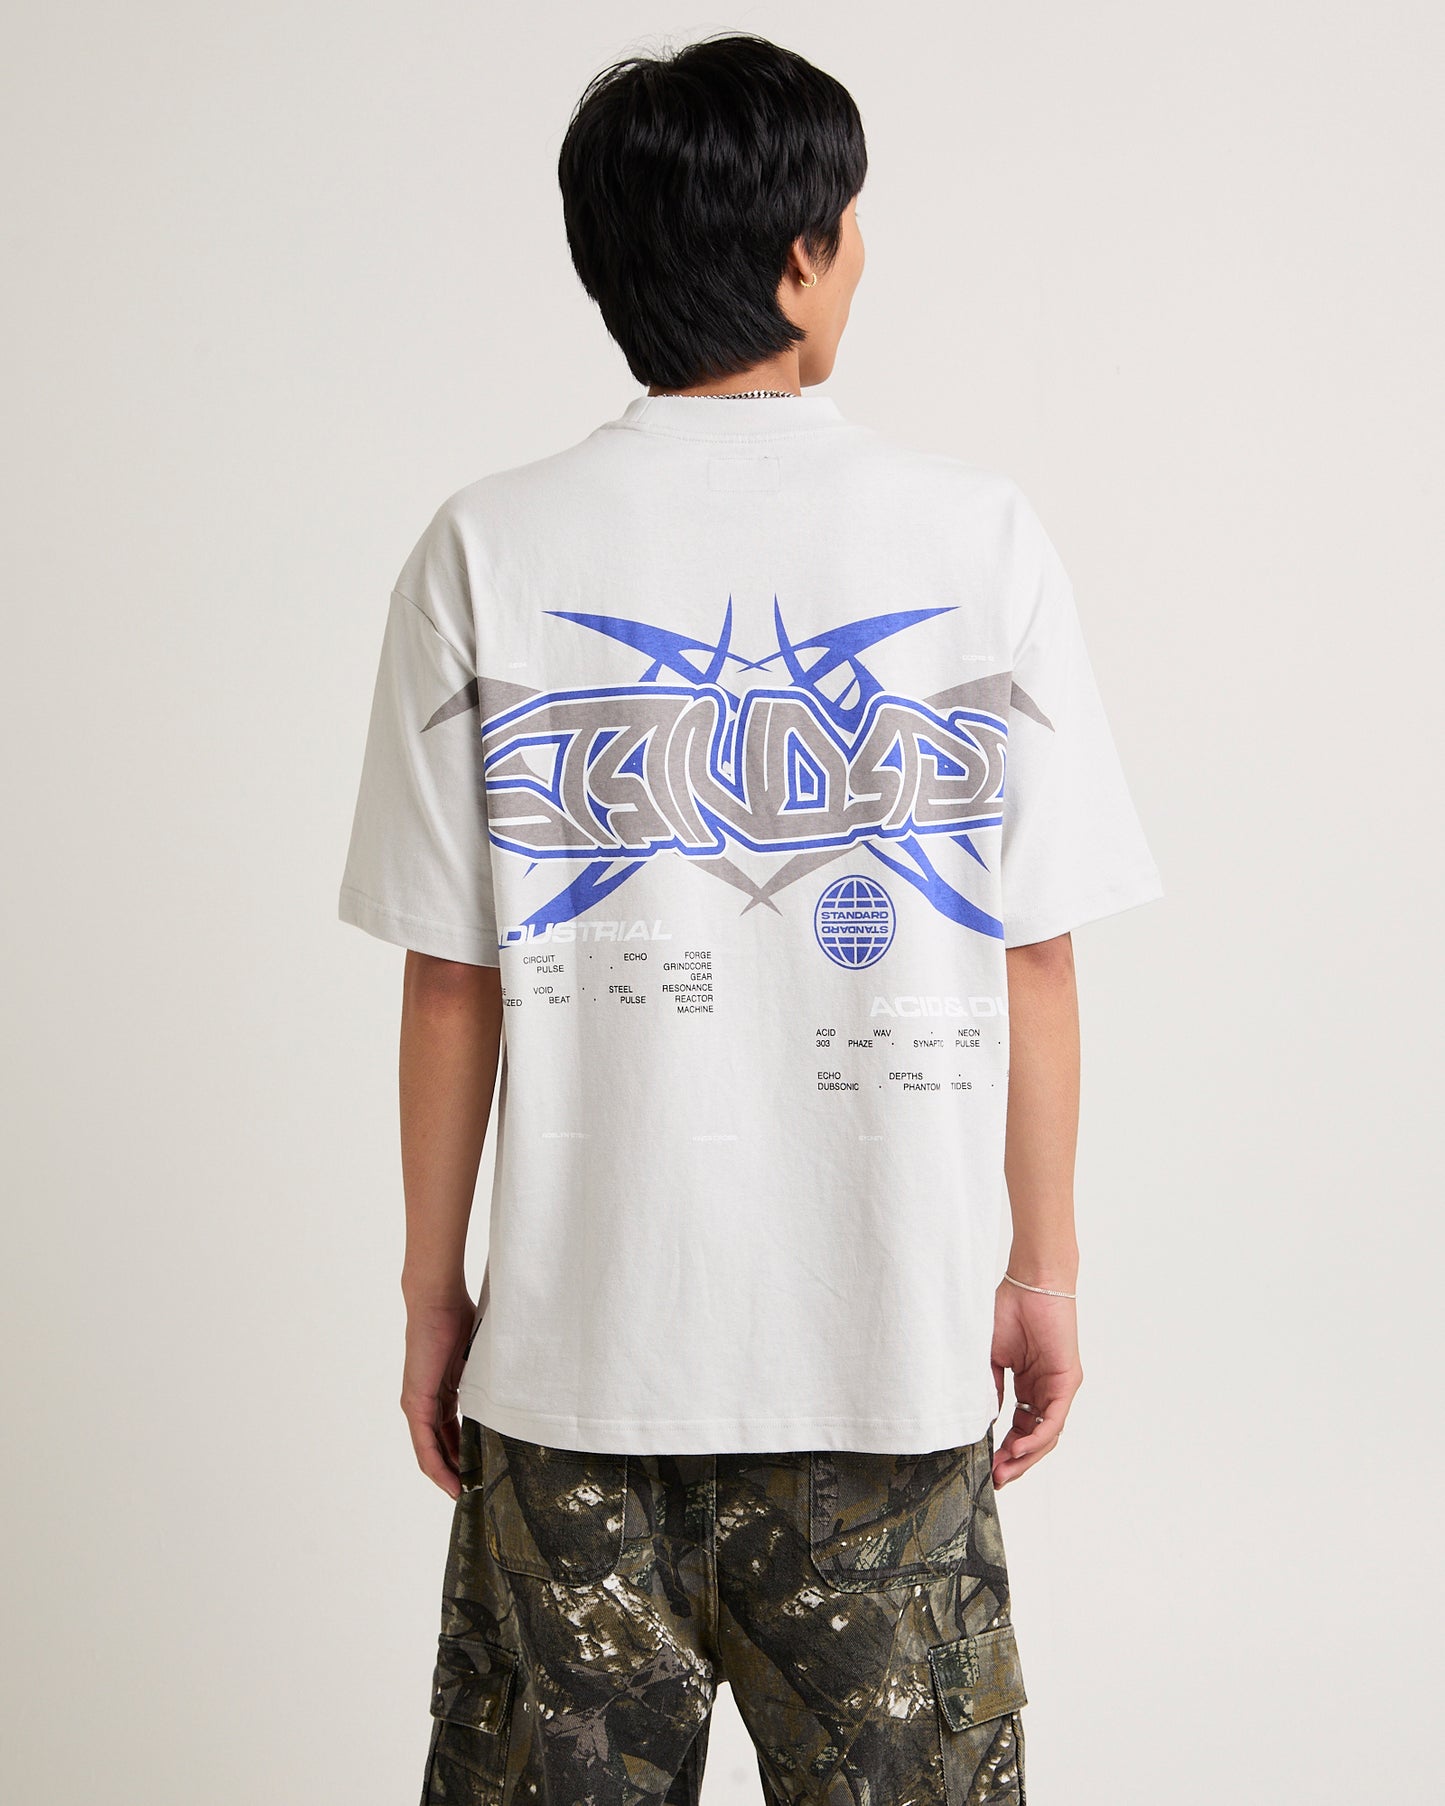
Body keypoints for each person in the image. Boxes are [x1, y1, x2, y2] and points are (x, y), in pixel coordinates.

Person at [337, 30, 1162, 1805]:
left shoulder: (484, 546)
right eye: (852, 222)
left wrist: (432, 1294)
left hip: (572, 1384)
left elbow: (449, 979)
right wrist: (1042, 1270)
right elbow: (1033, 950)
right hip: (884, 1381)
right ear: (801, 253)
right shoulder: (978, 537)